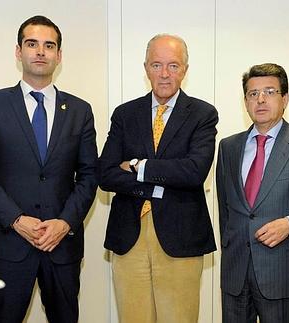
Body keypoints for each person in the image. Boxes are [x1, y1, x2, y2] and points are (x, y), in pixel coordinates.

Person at [0, 15, 97, 323]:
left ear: (59, 56)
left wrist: (64, 223)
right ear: (18, 51)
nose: (41, 51)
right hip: (9, 244)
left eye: (49, 45)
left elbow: (90, 175)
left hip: (61, 245)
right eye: (32, 44)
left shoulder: (80, 110)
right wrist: (16, 220)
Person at [98, 34, 218, 323]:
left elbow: (193, 172)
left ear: (185, 70)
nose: (164, 74)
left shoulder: (203, 114)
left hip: (181, 239)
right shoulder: (125, 114)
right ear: (145, 68)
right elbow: (105, 173)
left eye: (173, 66)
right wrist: (161, 183)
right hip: (129, 237)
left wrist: (139, 166)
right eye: (156, 65)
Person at [216, 63, 289, 323]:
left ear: (285, 98)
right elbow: (225, 210)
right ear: (245, 101)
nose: (261, 99)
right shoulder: (228, 147)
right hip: (236, 274)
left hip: (283, 272)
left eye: (270, 92)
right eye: (253, 94)